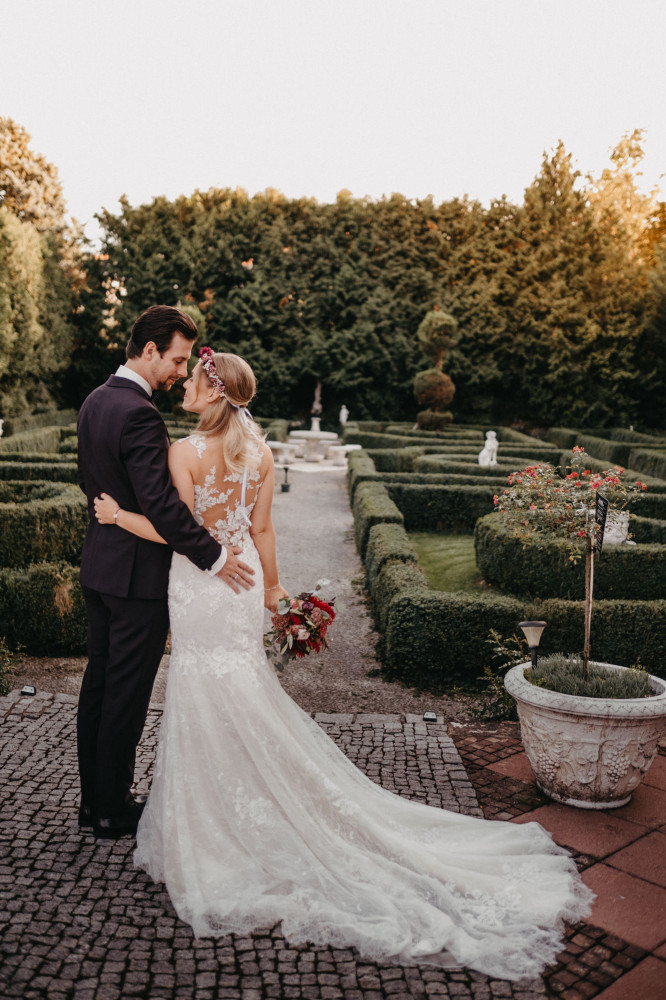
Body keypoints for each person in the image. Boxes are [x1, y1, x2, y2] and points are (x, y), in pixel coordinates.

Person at [94, 348, 593, 981]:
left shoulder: (186, 452)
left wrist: (117, 516)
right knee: (242, 686)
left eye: (193, 381)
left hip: (200, 586)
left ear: (215, 394)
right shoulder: (262, 453)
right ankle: (248, 801)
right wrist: (275, 592)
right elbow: (265, 531)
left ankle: (218, 823)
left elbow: (175, 528)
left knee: (205, 688)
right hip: (242, 588)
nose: (185, 388)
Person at [76, 306, 255, 840]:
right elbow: (163, 507)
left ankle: (93, 803)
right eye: (177, 359)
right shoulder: (140, 414)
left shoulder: (95, 401)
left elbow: (94, 481)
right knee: (125, 698)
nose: (181, 370)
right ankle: (112, 808)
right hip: (136, 582)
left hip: (101, 569)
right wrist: (218, 558)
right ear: (150, 350)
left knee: (99, 688)